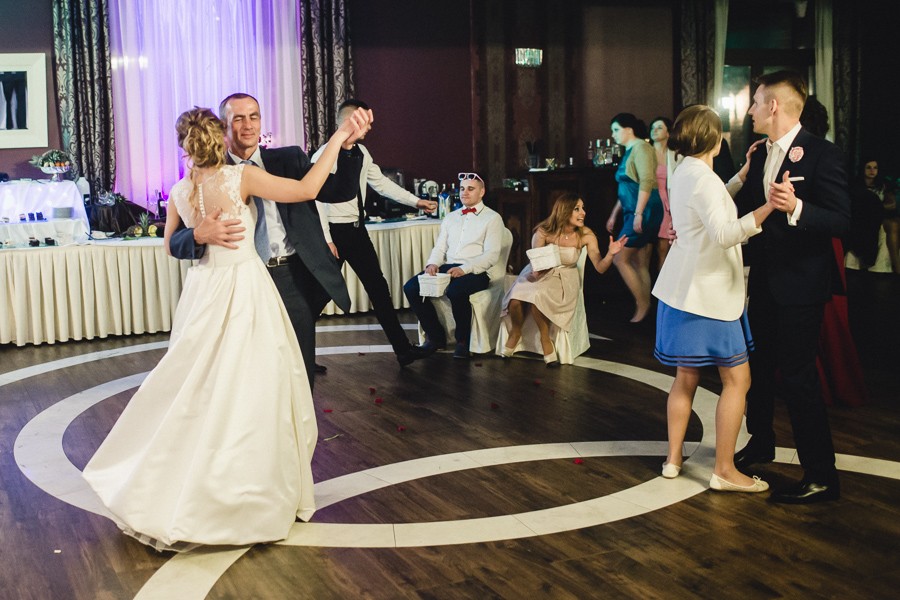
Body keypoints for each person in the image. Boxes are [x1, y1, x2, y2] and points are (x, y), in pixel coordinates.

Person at [82, 106, 369, 550]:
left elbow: (167, 243)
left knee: (201, 388)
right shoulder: (240, 178)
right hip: (244, 290)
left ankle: (187, 483)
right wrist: (336, 138)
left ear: (185, 145)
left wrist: (197, 233)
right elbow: (307, 189)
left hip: (202, 293)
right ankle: (246, 492)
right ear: (220, 136)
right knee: (257, 389)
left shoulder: (180, 190)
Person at [167, 93, 364, 390]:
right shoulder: (208, 174)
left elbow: (338, 191)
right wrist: (198, 234)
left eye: (254, 116)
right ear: (223, 127)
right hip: (237, 284)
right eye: (238, 118)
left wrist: (346, 148)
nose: (248, 125)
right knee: (246, 371)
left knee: (298, 368)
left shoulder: (289, 158)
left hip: (291, 275)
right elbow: (174, 240)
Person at [733, 70, 851, 504]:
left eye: (755, 102)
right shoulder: (760, 153)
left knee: (799, 378)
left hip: (801, 286)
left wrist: (797, 206)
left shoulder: (823, 154)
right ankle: (761, 443)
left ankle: (821, 475)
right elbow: (748, 211)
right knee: (758, 369)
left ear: (774, 106)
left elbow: (842, 220)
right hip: (764, 281)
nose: (749, 111)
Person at [653, 105, 774, 493]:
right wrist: (768, 207)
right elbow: (723, 233)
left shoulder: (684, 170)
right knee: (738, 379)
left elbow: (712, 201)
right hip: (709, 295)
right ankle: (724, 469)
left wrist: (740, 176)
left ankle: (673, 459)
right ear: (716, 140)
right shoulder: (702, 178)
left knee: (685, 378)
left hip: (682, 291)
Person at [312, 99, 437, 366]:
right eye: (365, 123)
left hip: (357, 231)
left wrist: (416, 201)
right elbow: (316, 198)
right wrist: (327, 238)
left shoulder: (362, 152)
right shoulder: (325, 153)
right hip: (333, 233)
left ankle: (403, 350)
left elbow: (381, 184)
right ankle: (300, 355)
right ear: (350, 122)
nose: (368, 128)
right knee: (320, 294)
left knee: (379, 289)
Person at [499, 193, 626, 365]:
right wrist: (537, 270)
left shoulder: (586, 235)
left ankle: (545, 340)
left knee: (538, 296)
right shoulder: (543, 231)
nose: (583, 213)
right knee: (514, 299)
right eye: (577, 209)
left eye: (582, 208)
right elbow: (535, 262)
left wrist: (610, 254)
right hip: (540, 273)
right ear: (564, 211)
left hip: (565, 277)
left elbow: (600, 267)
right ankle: (516, 333)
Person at [403, 172, 504, 359]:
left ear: (482, 192)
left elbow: (491, 255)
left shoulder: (492, 218)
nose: (464, 192)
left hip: (476, 271)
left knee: (456, 291)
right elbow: (440, 247)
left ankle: (463, 341)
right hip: (448, 267)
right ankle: (435, 337)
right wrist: (432, 263)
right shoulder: (451, 217)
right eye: (462, 188)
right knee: (411, 288)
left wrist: (464, 269)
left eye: (470, 189)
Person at [605, 113, 664, 322]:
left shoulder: (641, 148)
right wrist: (614, 215)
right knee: (639, 260)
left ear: (628, 129)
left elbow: (647, 181)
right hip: (633, 210)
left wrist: (639, 214)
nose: (613, 135)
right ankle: (646, 308)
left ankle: (643, 304)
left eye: (616, 130)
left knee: (619, 258)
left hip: (644, 210)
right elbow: (627, 187)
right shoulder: (631, 150)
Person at [650, 116, 675, 269]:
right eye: (653, 127)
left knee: (664, 248)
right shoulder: (647, 153)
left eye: (659, 127)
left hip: (667, 202)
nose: (654, 130)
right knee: (647, 250)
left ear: (668, 133)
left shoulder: (673, 154)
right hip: (650, 200)